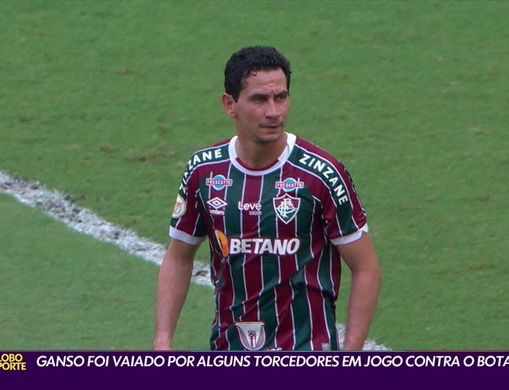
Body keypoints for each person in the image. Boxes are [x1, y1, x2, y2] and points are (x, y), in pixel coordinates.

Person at [153, 46, 380, 351]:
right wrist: (162, 340)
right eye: (259, 99)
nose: (274, 112)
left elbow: (365, 267)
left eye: (281, 97)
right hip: (229, 349)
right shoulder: (204, 172)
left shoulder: (320, 175)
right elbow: (179, 257)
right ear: (229, 104)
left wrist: (350, 353)